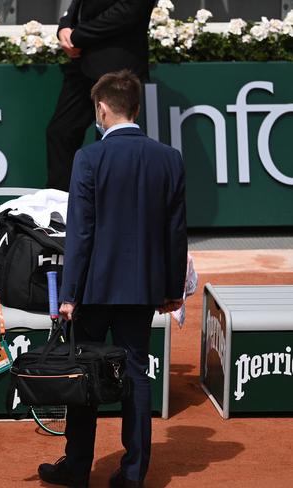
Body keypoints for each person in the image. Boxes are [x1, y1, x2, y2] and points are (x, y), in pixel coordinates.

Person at [38, 70, 187, 487]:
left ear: (102, 109)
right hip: (142, 288)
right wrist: (172, 289)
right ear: (136, 108)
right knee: (136, 372)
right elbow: (176, 231)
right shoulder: (169, 158)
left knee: (84, 373)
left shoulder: (88, 158)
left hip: (94, 289)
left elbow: (80, 231)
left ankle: (77, 467)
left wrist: (69, 294)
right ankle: (134, 473)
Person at [46, 0, 155, 191]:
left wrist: (78, 36)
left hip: (117, 65)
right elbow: (78, 5)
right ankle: (60, 204)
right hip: (82, 66)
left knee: (112, 141)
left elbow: (129, 11)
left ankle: (109, 205)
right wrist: (65, 27)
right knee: (61, 131)